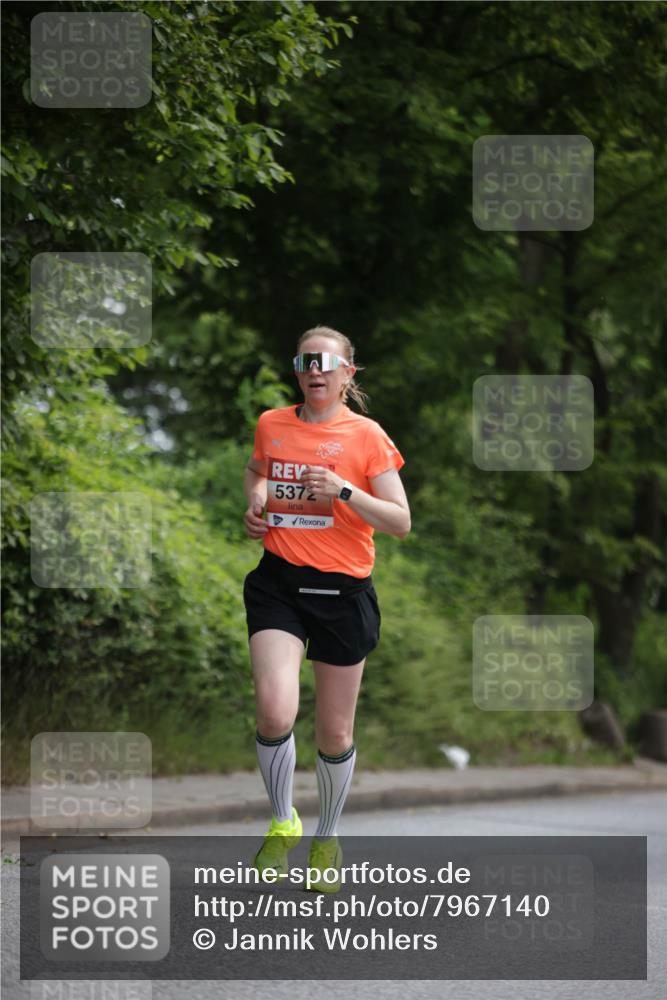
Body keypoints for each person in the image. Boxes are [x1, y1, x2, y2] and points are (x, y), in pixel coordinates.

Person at [242, 325, 410, 892]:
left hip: (343, 594)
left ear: (346, 374)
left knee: (334, 734)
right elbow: (257, 471)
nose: (315, 370)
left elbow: (400, 521)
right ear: (298, 369)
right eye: (304, 360)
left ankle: (327, 835)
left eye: (326, 362)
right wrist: (256, 504)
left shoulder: (367, 436)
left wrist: (342, 489)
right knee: (273, 711)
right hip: (279, 585)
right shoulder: (273, 423)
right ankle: (283, 820)